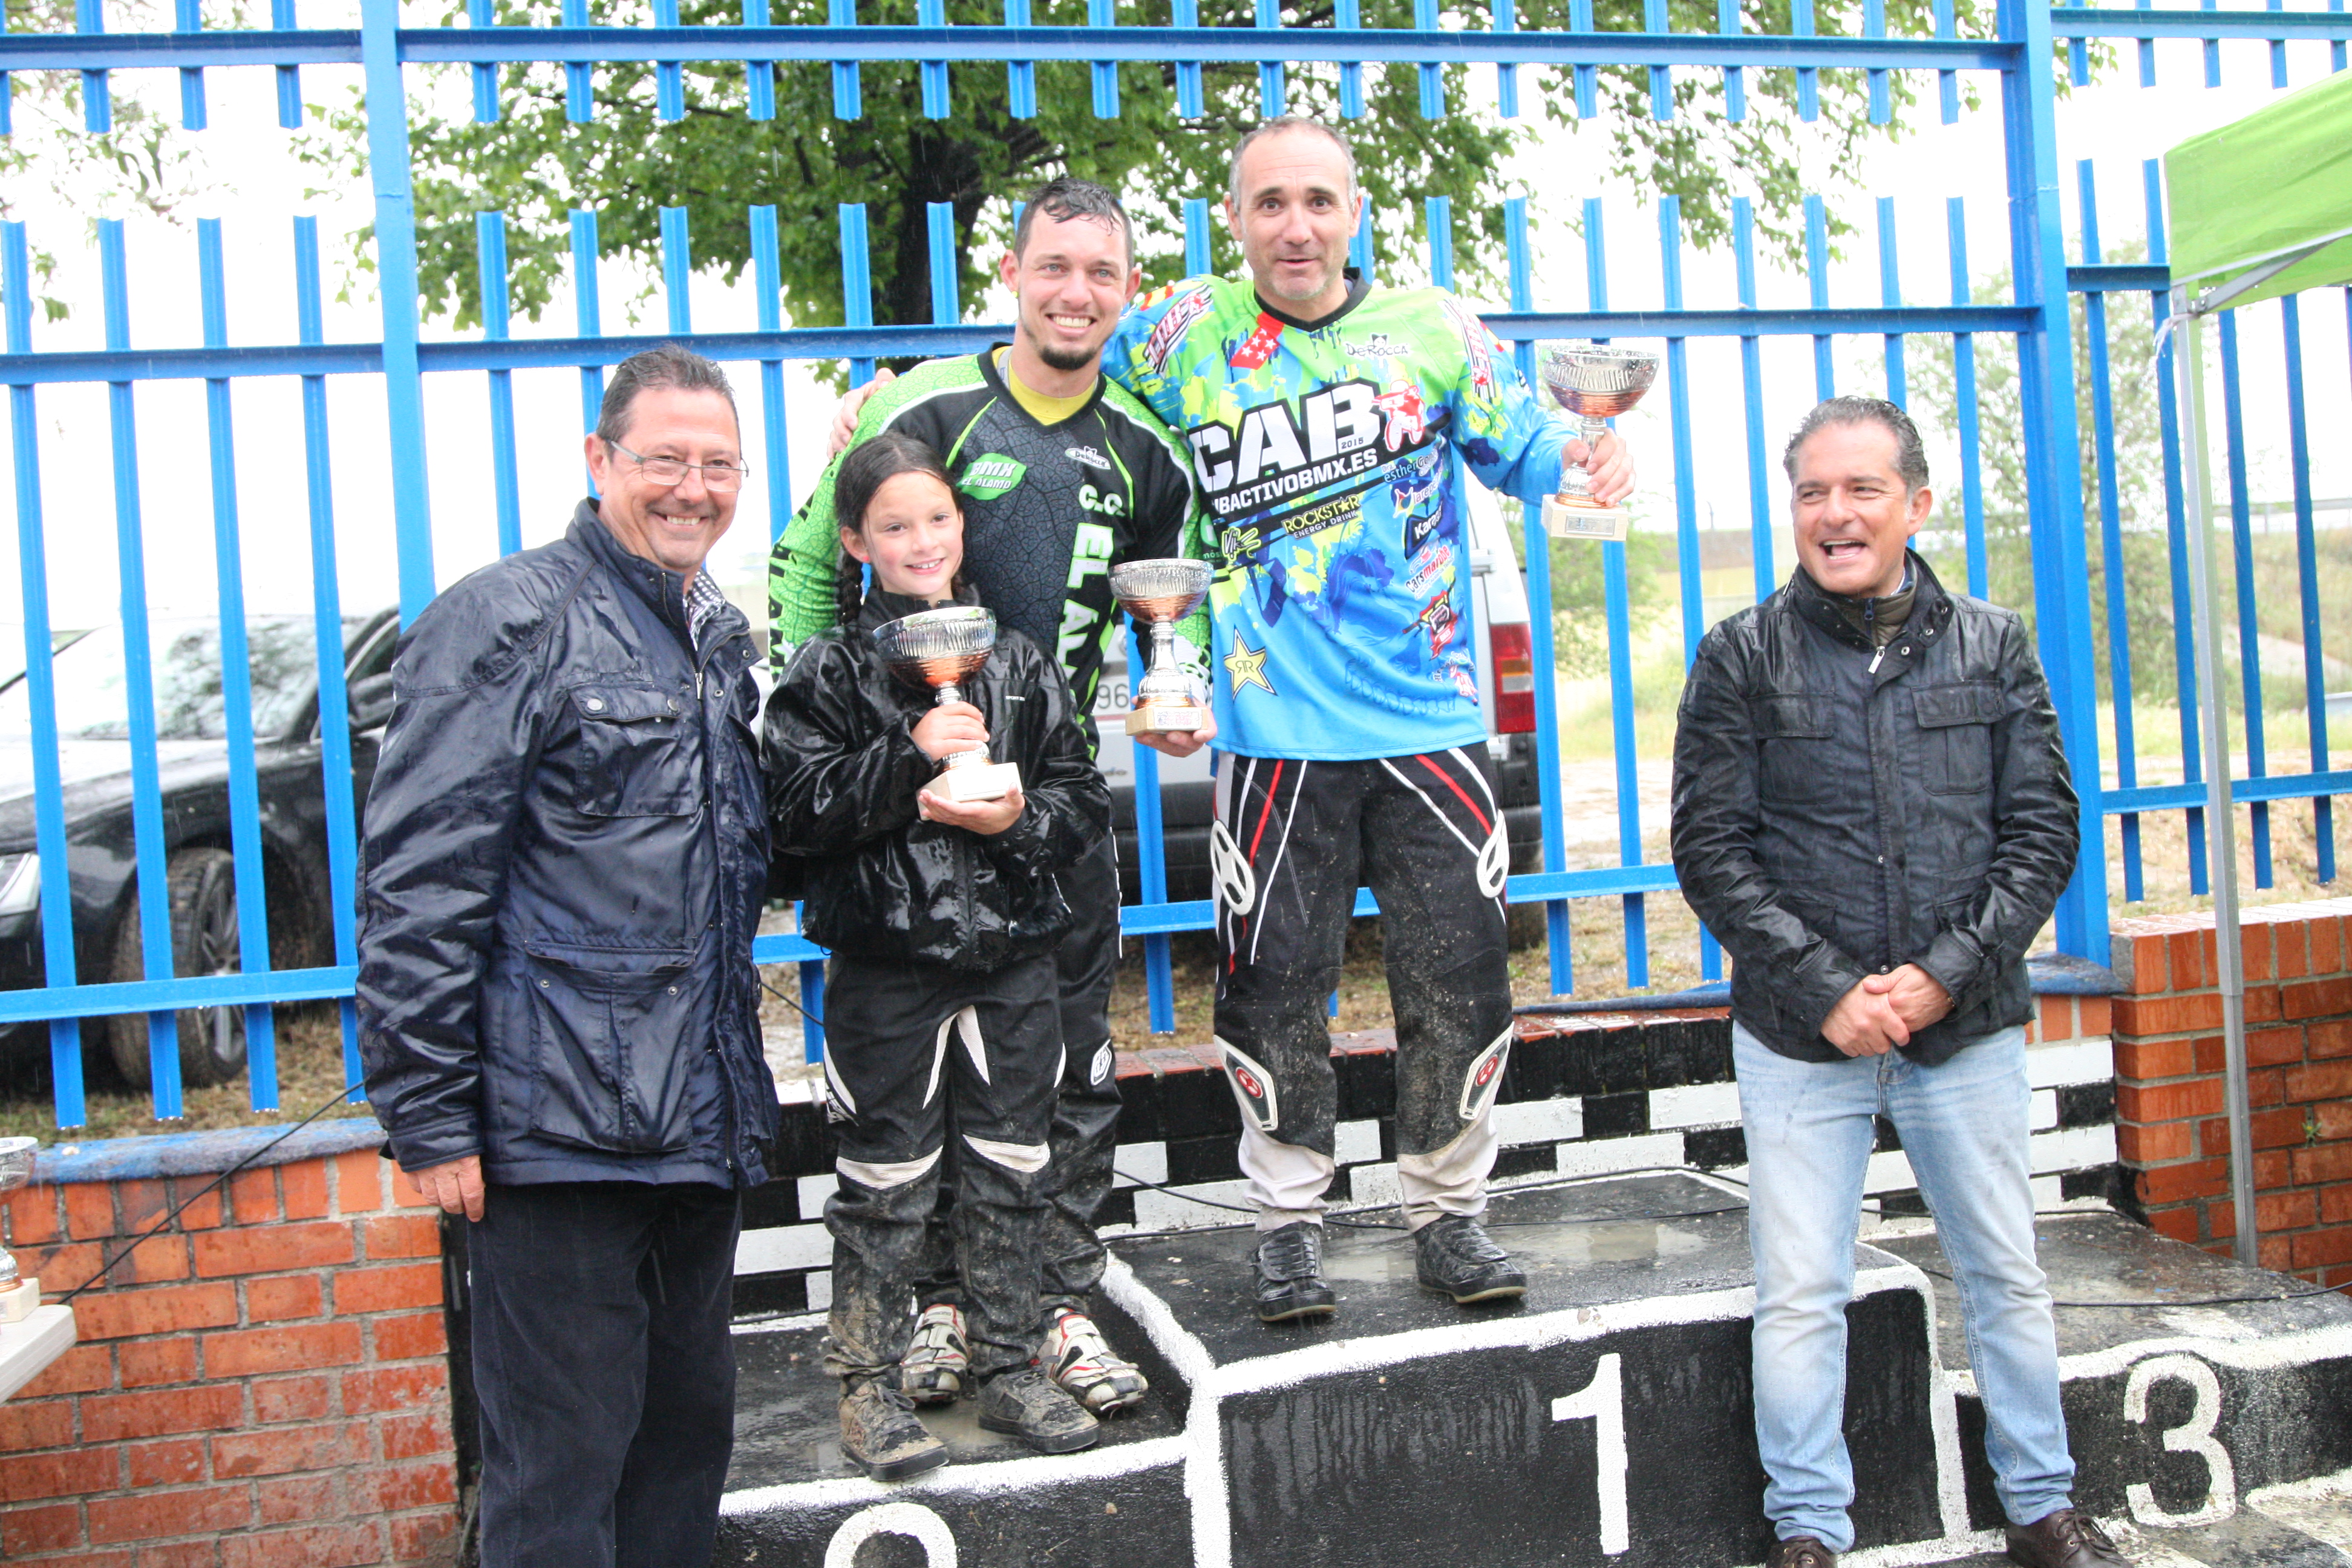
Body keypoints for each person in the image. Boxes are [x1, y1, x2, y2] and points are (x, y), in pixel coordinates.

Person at [1094, 117, 1636, 1321]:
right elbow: (1057, 375)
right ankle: (1288, 1228)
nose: (1296, 226)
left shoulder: (1433, 326)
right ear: (1234, 218)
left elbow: (1526, 443)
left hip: (1429, 725)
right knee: (1271, 992)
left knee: (1461, 985)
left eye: (1318, 201)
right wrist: (892, 401)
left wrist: (1590, 457)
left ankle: (1449, 1214)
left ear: (1355, 211)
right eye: (1270, 203)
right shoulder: (1180, 332)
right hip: (1271, 736)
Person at [1669, 397, 2127, 1568]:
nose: (1836, 514)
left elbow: (2042, 835)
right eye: (1812, 493)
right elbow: (1711, 850)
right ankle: (1808, 1531)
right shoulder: (1739, 655)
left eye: (1863, 489)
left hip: (1964, 1031)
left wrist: (1940, 978)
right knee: (1799, 1291)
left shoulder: (1994, 644)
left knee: (2005, 1276)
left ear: (1916, 504)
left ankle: (2041, 1510)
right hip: (1798, 1037)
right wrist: (1827, 988)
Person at [773, 177, 1204, 1410]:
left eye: (1102, 273)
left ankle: (1052, 1307)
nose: (1076, 292)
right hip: (908, 819)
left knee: (1064, 1070)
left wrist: (1179, 690)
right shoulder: (917, 405)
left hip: (1047, 816)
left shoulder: (1150, 448)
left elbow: (1173, 611)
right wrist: (842, 734)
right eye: (1052, 266)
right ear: (1010, 274)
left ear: (1128, 290)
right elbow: (807, 569)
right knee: (921, 1083)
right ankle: (941, 1310)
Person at [356, 344, 775, 1567]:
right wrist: (430, 1113)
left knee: (681, 1452)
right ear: (601, 459)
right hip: (557, 1134)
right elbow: (421, 880)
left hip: (696, 1122)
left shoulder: (710, 635)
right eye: (664, 459)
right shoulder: (507, 618)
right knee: (558, 1478)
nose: (693, 487)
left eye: (719, 465)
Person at [765, 431, 1116, 1478]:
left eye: (937, 518)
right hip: (887, 969)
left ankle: (1009, 1367)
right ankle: (868, 1388)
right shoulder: (829, 670)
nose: (921, 541)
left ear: (963, 526)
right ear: (855, 542)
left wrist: (1016, 822)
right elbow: (790, 818)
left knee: (1014, 1166)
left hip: (1014, 960)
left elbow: (1082, 801)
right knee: (886, 1180)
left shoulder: (1018, 661)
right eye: (894, 525)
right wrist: (905, 768)